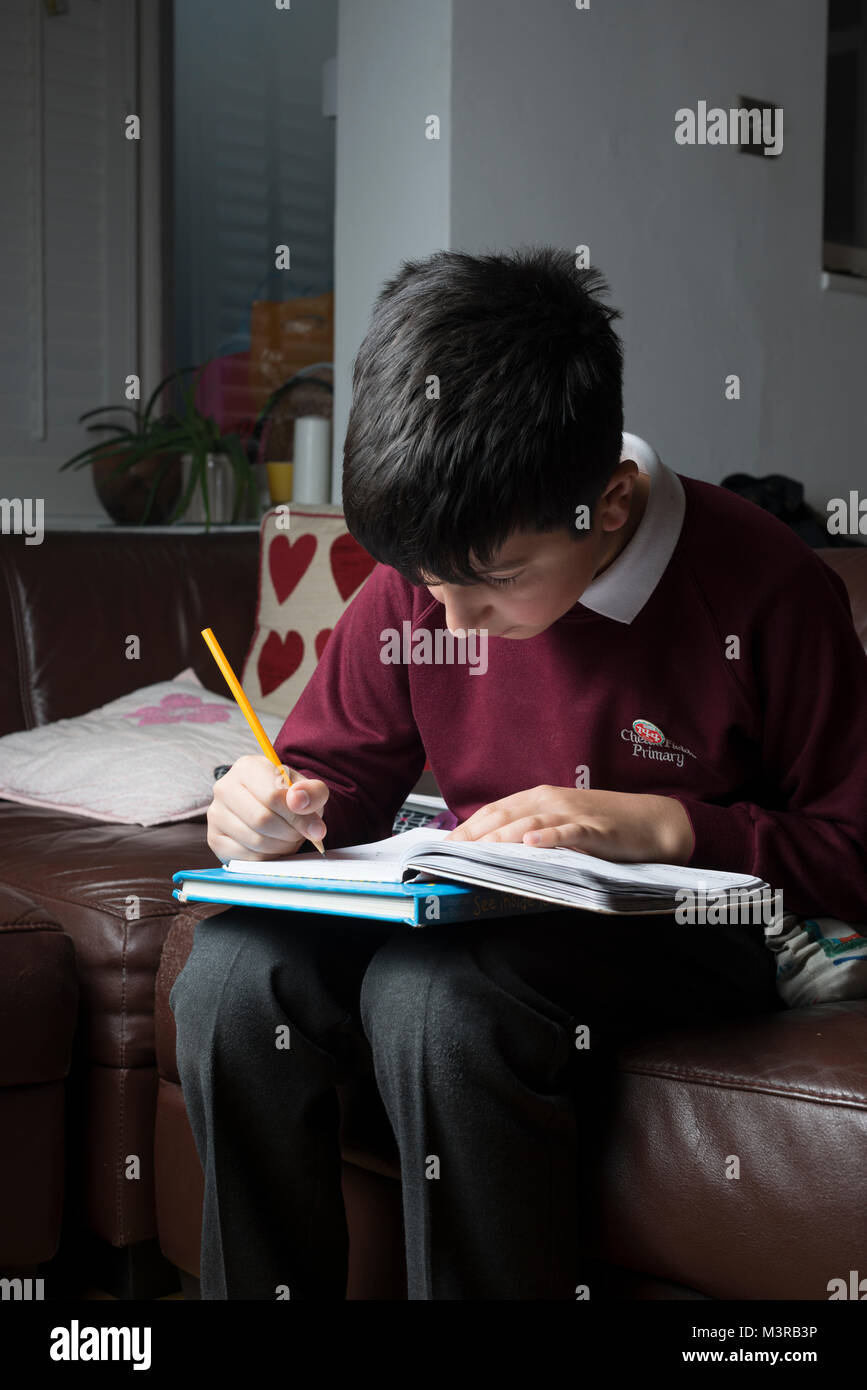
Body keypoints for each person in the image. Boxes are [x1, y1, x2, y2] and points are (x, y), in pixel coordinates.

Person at [170, 246, 867, 1300]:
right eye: (423, 583)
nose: (447, 622)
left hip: (681, 937)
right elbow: (329, 773)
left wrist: (661, 826)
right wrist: (269, 806)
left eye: (492, 584)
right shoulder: (431, 568)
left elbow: (853, 850)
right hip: (468, 908)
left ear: (612, 509)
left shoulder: (769, 591)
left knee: (436, 999)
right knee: (230, 975)